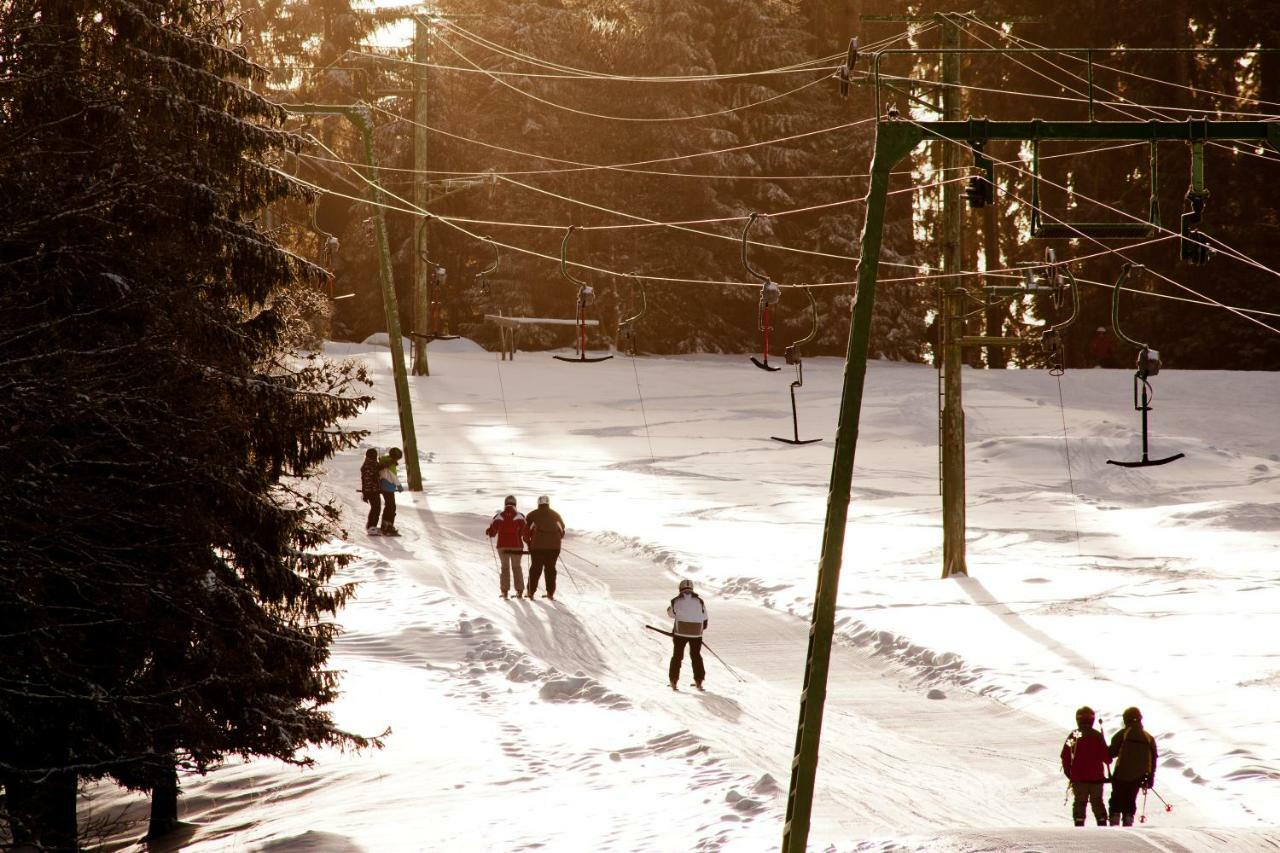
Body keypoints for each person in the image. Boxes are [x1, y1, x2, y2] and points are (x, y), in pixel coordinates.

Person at [1060, 706, 1112, 827]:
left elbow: (1065, 755)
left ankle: (1079, 822)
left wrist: (1069, 773)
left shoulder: (1075, 735)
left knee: (1080, 802)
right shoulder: (1097, 736)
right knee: (1097, 801)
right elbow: (1107, 758)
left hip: (1079, 778)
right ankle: (1102, 821)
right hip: (1097, 778)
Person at [1108, 706, 1158, 826]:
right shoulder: (1149, 738)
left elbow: (1112, 753)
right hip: (1139, 776)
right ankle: (1128, 819)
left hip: (1121, 773)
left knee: (1116, 798)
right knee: (1130, 799)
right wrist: (1150, 777)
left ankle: (1114, 819)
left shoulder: (1123, 734)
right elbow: (1154, 758)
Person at [666, 579, 708, 690]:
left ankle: (673, 681)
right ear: (692, 589)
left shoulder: (676, 600)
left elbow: (671, 614)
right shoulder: (700, 601)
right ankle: (699, 681)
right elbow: (705, 619)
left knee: (677, 656)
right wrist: (698, 633)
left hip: (680, 633)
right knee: (696, 656)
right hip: (696, 634)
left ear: (680, 589)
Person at [524, 495, 565, 600]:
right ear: (548, 503)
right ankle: (550, 593)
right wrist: (555, 540)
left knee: (535, 569)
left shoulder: (532, 515)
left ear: (538, 503)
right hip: (554, 548)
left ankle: (530, 592)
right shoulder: (556, 515)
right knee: (550, 569)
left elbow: (526, 531)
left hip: (537, 547)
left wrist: (528, 542)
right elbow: (562, 530)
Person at [486, 495, 527, 599]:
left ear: (505, 503)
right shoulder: (520, 516)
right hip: (517, 546)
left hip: (502, 546)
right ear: (515, 504)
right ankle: (520, 591)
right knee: (516, 567)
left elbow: (492, 533)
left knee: (505, 568)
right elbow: (525, 532)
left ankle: (505, 592)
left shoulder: (498, 516)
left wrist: (489, 531)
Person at [378, 447, 404, 536]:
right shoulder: (390, 463)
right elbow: (393, 476)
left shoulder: (384, 461)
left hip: (384, 486)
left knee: (388, 506)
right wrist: (399, 486)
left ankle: (384, 525)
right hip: (388, 486)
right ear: (395, 457)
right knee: (392, 507)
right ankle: (389, 527)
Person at [360, 448, 382, 535]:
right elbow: (374, 475)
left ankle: (371, 526)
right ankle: (371, 527)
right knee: (376, 508)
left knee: (375, 508)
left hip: (370, 490)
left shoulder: (368, 463)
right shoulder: (371, 464)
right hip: (372, 490)